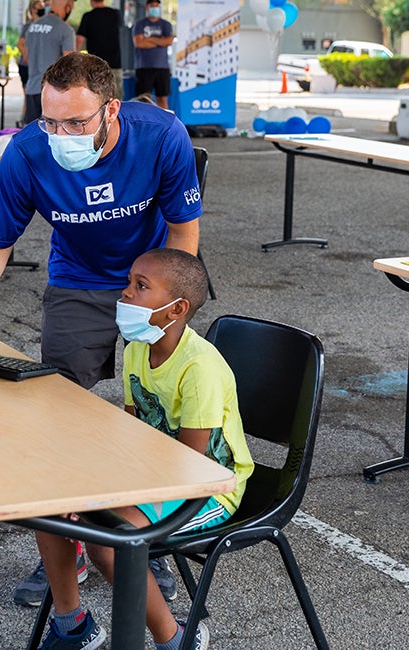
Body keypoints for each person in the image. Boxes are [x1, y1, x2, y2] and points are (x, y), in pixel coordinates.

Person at [0, 52, 201, 606]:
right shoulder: (26, 152)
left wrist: (165, 307)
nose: (60, 135)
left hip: (151, 278)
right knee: (59, 416)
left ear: (111, 109)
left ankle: (148, 542)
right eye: (50, 121)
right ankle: (67, 543)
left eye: (75, 122)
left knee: (159, 416)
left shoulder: (161, 135)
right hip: (77, 278)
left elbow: (184, 231)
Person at [32, 247, 252, 650]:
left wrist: (108, 498)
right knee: (48, 503)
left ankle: (175, 639)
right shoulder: (137, 347)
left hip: (210, 487)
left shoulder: (199, 368)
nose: (126, 292)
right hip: (158, 471)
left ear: (176, 309)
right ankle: (72, 627)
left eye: (141, 286)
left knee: (109, 541)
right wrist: (91, 484)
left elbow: (190, 466)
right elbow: (132, 432)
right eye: (129, 282)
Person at [22, 0, 76, 125]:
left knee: (33, 133)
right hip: (54, 92)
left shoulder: (33, 26)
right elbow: (70, 62)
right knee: (53, 133)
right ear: (67, 8)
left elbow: (26, 58)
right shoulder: (65, 29)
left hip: (32, 88)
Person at [76, 0, 124, 98]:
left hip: (95, 65)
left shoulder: (88, 16)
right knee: (117, 97)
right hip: (115, 63)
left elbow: (79, 40)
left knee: (97, 97)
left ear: (91, 1)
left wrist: (75, 58)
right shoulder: (115, 14)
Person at [132, 0, 174, 110]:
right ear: (147, 7)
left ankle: (164, 120)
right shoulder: (140, 24)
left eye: (157, 6)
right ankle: (144, 119)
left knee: (162, 98)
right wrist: (160, 41)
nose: (155, 8)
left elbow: (169, 41)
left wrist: (149, 39)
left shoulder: (166, 24)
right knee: (143, 99)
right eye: (152, 6)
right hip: (144, 67)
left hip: (162, 67)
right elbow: (139, 43)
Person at [16, 0, 46, 125]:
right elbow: (20, 44)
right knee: (28, 95)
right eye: (40, 7)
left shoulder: (44, 25)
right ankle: (24, 120)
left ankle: (26, 119)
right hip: (27, 66)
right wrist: (28, 56)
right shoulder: (29, 26)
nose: (43, 9)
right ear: (33, 9)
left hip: (38, 65)